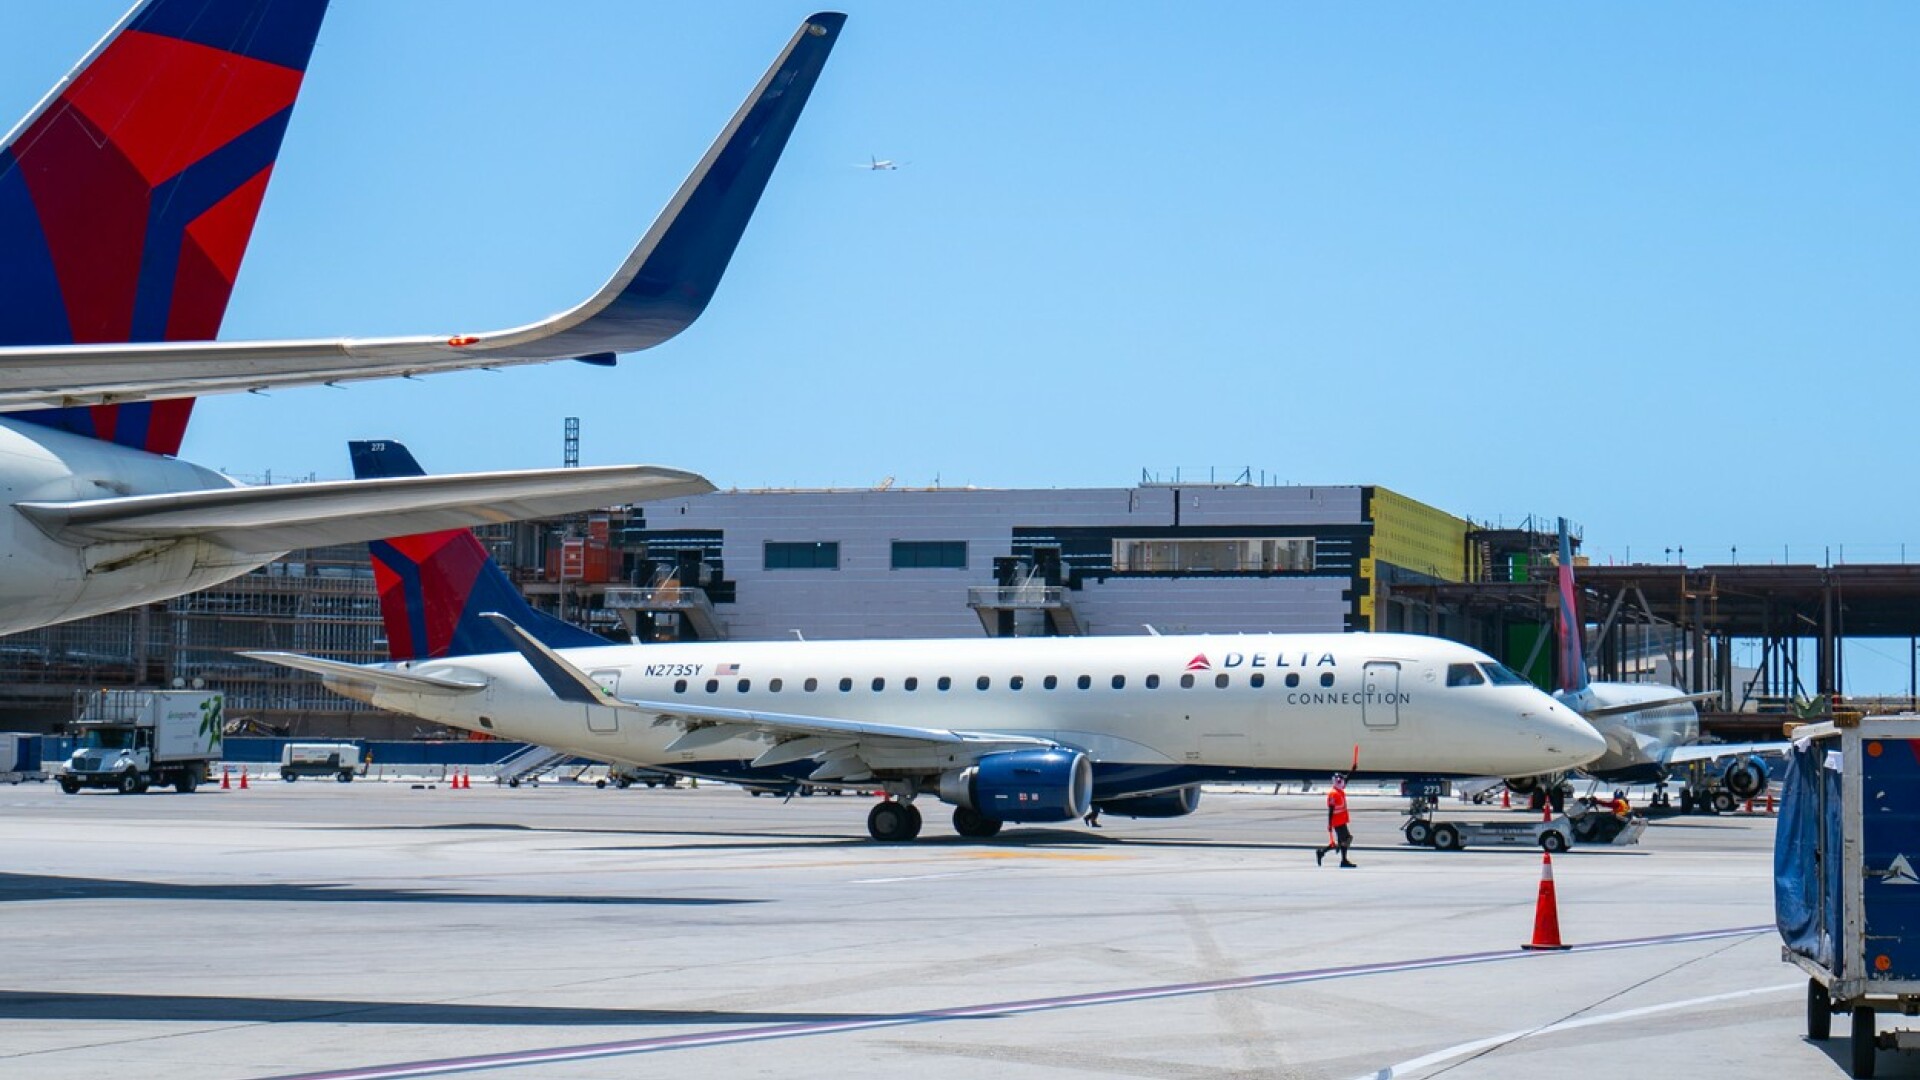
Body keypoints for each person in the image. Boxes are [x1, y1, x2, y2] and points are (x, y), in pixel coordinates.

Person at [1315, 773, 1357, 868]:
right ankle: (1343, 860)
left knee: (1345, 840)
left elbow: (1347, 779)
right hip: (1337, 821)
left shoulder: (1340, 790)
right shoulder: (1333, 794)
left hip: (1342, 820)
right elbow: (1331, 810)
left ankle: (1322, 852)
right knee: (1346, 839)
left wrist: (1353, 770)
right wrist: (1329, 824)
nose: (1342, 781)